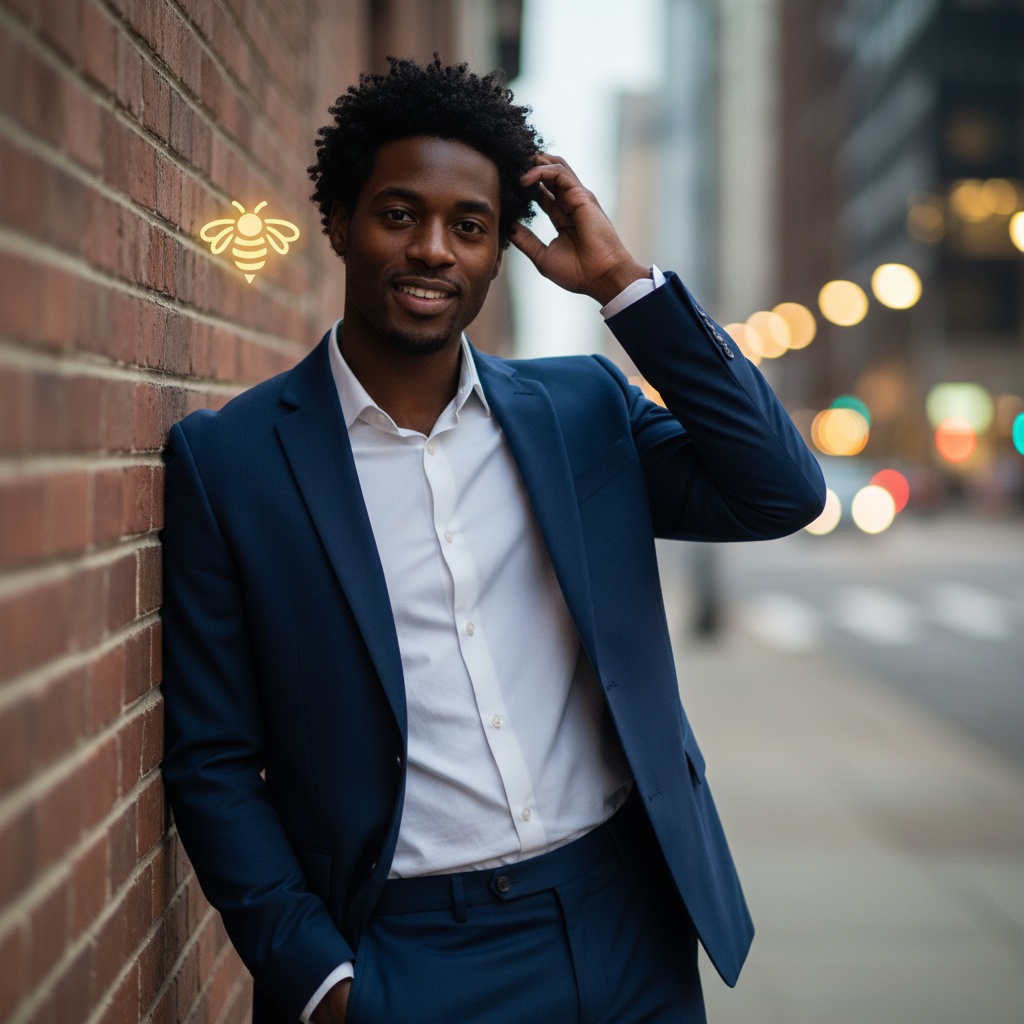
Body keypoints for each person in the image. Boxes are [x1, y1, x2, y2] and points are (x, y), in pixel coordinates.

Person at [161, 57, 825, 1024]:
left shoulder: (582, 411)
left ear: (499, 251)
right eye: (399, 214)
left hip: (627, 920)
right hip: (411, 954)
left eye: (469, 227)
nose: (434, 249)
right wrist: (323, 984)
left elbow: (780, 490)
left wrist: (622, 286)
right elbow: (212, 761)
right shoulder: (233, 463)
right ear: (339, 222)